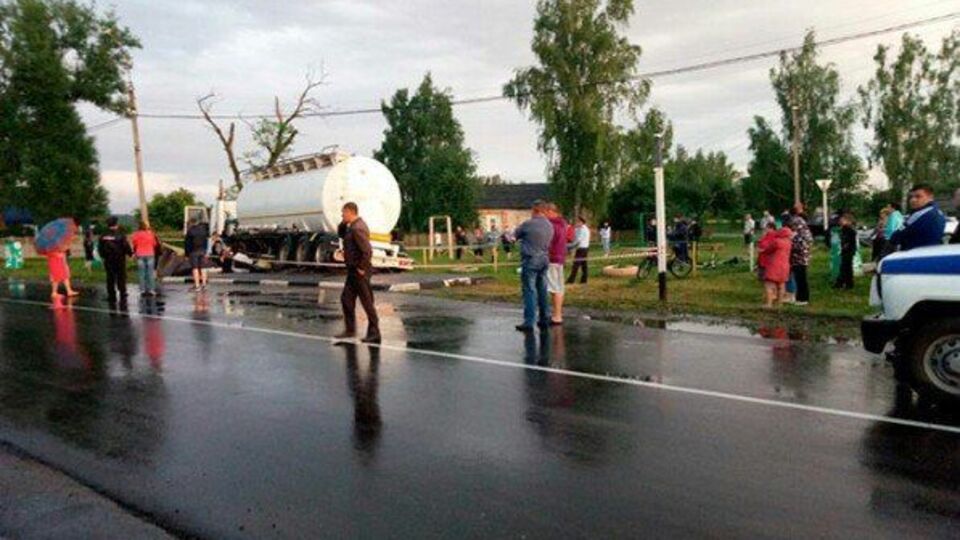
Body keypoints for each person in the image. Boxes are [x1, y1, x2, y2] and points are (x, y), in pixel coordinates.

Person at [336, 202, 381, 343]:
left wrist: (362, 267)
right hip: (352, 271)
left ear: (350, 212)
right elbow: (340, 234)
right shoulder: (351, 227)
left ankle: (375, 333)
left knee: (367, 303)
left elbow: (367, 251)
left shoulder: (358, 228)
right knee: (346, 300)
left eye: (343, 213)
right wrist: (343, 223)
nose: (342, 215)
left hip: (359, 271)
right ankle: (350, 330)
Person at [514, 200, 553, 332]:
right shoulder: (549, 225)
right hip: (544, 258)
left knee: (529, 290)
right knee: (542, 288)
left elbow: (514, 236)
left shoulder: (528, 224)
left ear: (535, 210)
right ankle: (544, 317)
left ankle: (529, 321)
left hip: (531, 259)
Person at [889, 184, 946, 251]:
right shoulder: (939, 213)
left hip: (914, 255)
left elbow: (895, 237)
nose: (913, 200)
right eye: (911, 197)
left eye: (918, 196)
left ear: (930, 197)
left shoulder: (919, 214)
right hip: (932, 254)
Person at [757, 223, 793, 308]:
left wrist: (761, 251)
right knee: (781, 284)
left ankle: (769, 304)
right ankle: (780, 304)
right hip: (785, 265)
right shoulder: (789, 243)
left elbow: (768, 250)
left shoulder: (777, 242)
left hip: (774, 265)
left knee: (769, 284)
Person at [98, 216, 132, 303]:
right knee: (121, 276)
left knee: (110, 277)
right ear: (116, 224)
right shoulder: (120, 234)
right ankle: (122, 292)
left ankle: (111, 294)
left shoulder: (103, 235)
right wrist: (130, 253)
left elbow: (100, 247)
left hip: (108, 259)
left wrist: (102, 256)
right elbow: (125, 245)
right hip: (120, 258)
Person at [544, 203, 568, 325]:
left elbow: (548, 242)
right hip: (560, 258)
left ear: (550, 211)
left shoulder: (551, 225)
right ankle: (557, 314)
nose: (544, 215)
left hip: (552, 258)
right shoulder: (562, 223)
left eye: (545, 212)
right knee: (558, 287)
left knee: (554, 288)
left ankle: (557, 316)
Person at [787, 205, 813, 306]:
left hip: (799, 256)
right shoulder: (803, 226)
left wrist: (790, 243)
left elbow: (797, 240)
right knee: (800, 277)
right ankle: (800, 297)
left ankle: (803, 298)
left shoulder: (797, 223)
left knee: (801, 277)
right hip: (803, 255)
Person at [130, 221, 160, 297]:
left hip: (140, 254)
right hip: (150, 253)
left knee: (141, 273)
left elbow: (134, 243)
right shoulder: (150, 234)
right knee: (150, 273)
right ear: (146, 227)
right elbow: (154, 244)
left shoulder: (136, 234)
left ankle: (142, 290)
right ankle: (151, 290)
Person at [184, 218, 210, 291]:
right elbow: (207, 241)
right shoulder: (203, 230)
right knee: (203, 268)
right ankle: (204, 285)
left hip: (193, 251)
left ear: (191, 223)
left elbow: (187, 244)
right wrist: (206, 251)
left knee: (195, 268)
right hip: (203, 250)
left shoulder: (190, 231)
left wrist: (186, 254)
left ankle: (197, 285)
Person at [835, 213, 857, 290]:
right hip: (846, 250)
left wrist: (845, 246)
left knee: (845, 267)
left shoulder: (850, 230)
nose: (840, 221)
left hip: (848, 250)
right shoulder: (844, 229)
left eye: (842, 220)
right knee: (846, 267)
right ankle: (847, 283)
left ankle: (842, 283)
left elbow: (849, 241)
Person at [567, 216, 590, 285]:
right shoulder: (579, 229)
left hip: (582, 248)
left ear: (581, 222)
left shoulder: (583, 229)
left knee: (576, 264)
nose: (576, 223)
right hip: (583, 248)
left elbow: (578, 241)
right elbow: (574, 236)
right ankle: (584, 280)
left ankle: (571, 280)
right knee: (584, 264)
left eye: (578, 221)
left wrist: (569, 247)